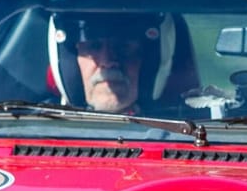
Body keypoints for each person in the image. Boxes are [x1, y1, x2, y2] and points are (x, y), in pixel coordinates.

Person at [47, 11, 198, 114]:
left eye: (123, 47)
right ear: (71, 62)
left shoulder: (195, 133)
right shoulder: (31, 128)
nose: (107, 62)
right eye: (94, 46)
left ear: (150, 62)